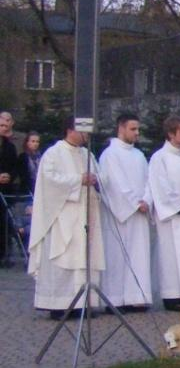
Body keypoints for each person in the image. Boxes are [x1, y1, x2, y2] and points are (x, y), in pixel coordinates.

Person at [28, 118, 104, 318]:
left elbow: (101, 176)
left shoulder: (87, 154)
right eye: (83, 132)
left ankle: (83, 304)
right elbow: (49, 181)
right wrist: (79, 180)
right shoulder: (54, 154)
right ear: (70, 130)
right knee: (64, 257)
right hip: (64, 215)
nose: (87, 136)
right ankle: (58, 304)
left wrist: (96, 180)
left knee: (84, 258)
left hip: (86, 214)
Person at [97, 112, 153, 312]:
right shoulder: (110, 155)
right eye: (133, 129)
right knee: (117, 256)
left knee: (139, 255)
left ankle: (136, 297)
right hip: (120, 215)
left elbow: (149, 181)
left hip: (139, 212)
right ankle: (115, 299)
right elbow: (115, 184)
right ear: (120, 128)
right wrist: (134, 204)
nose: (137, 133)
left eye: (138, 129)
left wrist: (147, 199)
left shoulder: (138, 155)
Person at [148, 116, 180, 312]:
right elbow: (160, 187)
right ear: (170, 134)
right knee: (171, 257)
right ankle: (171, 297)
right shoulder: (159, 158)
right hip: (172, 216)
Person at [0, 111, 22, 266]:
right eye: (1, 125)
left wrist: (10, 176)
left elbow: (15, 166)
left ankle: (4, 255)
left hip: (6, 190)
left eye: (6, 124)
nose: (4, 127)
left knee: (4, 222)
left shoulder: (9, 146)